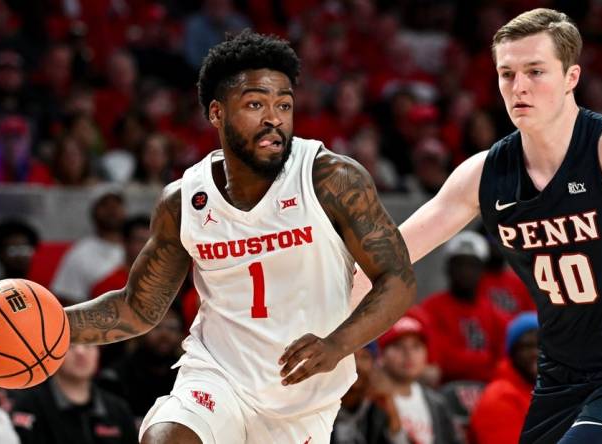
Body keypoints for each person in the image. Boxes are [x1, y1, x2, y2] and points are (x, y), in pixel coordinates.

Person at [352, 8, 602, 444]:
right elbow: (387, 257)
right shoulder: (484, 175)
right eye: (507, 74)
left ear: (572, 77)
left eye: (535, 71)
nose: (520, 87)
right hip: (561, 374)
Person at [63, 30, 415, 444]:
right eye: (255, 104)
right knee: (167, 439)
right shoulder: (185, 201)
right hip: (216, 376)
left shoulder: (331, 179)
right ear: (216, 113)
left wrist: (337, 345)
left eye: (284, 104)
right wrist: (46, 327)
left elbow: (398, 280)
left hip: (301, 400)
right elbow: (138, 308)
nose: (274, 119)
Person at [416, 231, 505, 384]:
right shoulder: (430, 309)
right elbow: (442, 360)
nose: (465, 272)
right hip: (445, 390)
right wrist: (485, 360)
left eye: (472, 265)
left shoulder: (493, 312)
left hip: (488, 389)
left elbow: (504, 360)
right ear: (448, 268)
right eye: (459, 264)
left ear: (482, 271)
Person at [9, 344, 138, 444]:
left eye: (88, 344)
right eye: (70, 346)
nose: (80, 352)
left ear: (98, 352)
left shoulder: (118, 410)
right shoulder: (29, 406)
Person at [377, 315, 459, 444]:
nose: (409, 353)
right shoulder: (372, 403)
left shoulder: (437, 403)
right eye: (398, 346)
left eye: (416, 346)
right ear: (381, 354)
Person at [469, 312, 539, 444]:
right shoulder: (499, 398)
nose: (536, 352)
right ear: (511, 353)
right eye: (527, 346)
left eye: (542, 345)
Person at [50, 187, 126, 304]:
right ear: (94, 211)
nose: (112, 210)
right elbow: (68, 298)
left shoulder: (138, 248)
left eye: (116, 205)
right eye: (105, 205)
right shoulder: (80, 252)